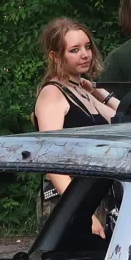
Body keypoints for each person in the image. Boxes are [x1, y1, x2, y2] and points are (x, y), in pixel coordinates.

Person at [33, 17, 117, 200]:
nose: (85, 55)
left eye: (87, 47)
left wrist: (99, 92)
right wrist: (78, 208)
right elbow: (50, 157)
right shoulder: (53, 94)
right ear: (55, 56)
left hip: (94, 194)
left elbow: (125, 120)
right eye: (74, 50)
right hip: (68, 199)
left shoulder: (82, 91)